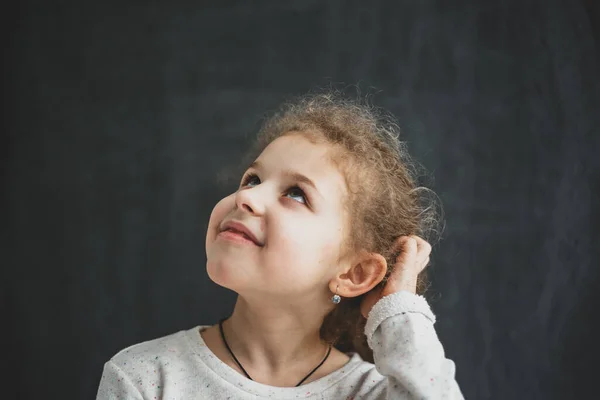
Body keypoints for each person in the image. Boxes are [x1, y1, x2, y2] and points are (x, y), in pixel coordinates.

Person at [96, 90, 464, 399]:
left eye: (296, 194)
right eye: (252, 179)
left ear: (354, 273)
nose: (247, 198)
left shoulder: (369, 393)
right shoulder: (146, 378)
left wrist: (399, 311)